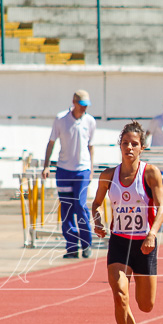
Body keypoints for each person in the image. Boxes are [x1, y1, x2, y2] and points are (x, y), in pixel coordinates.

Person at [90, 121, 163, 324]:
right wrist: (98, 220)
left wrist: (152, 234)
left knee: (146, 305)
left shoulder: (150, 173)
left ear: (142, 147)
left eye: (134, 144)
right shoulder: (108, 176)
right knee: (120, 294)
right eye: (125, 143)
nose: (129, 148)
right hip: (120, 243)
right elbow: (95, 204)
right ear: (120, 146)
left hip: (144, 244)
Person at [42, 89, 96, 259]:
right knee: (66, 209)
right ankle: (72, 246)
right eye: (81, 105)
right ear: (74, 102)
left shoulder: (90, 121)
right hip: (64, 170)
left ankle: (86, 243)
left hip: (82, 170)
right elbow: (51, 143)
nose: (84, 109)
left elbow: (91, 146)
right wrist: (46, 166)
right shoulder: (61, 119)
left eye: (86, 106)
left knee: (80, 206)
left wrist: (91, 168)